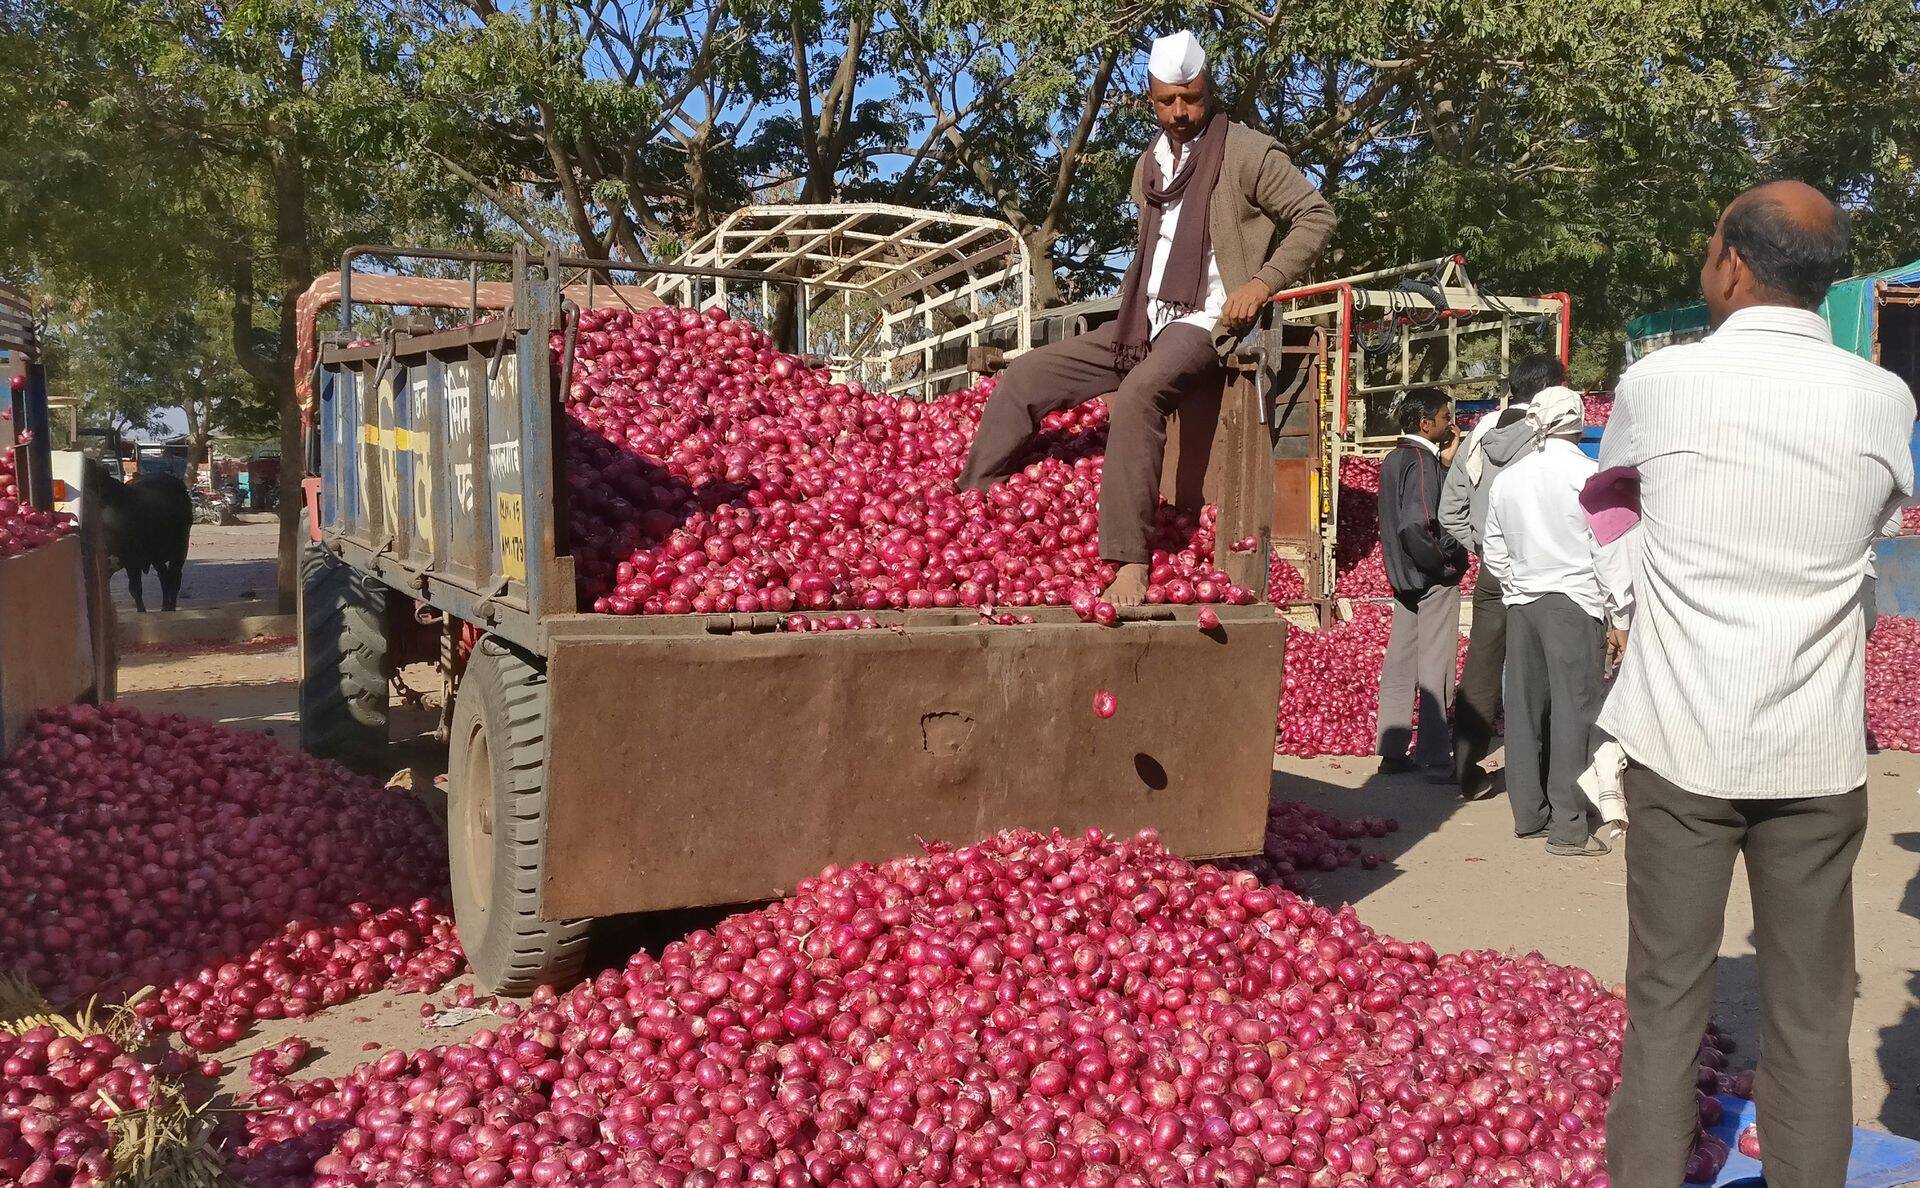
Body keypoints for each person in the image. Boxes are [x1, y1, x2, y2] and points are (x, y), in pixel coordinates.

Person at [1603, 180, 1914, 1188]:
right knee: (1815, 1014)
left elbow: (1611, 516)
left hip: (1683, 742)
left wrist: (1647, 589)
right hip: (1814, 755)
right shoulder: (1883, 399)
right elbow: (1876, 538)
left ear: (1733, 262)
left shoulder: (1661, 386)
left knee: (1664, 1004)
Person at [958, 31, 1336, 605]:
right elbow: (1152, 255)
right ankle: (974, 494)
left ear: (1209, 90)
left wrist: (1262, 284)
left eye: (1192, 98)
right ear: (1149, 97)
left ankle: (1128, 559)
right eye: (1167, 101)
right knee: (1027, 376)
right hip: (1144, 322)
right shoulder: (1148, 167)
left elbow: (1317, 216)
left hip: (1208, 322)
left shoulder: (1248, 153)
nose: (1181, 112)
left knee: (1137, 397)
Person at [1480, 385, 1630, 855]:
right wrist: (1620, 613)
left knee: (1524, 710)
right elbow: (1608, 552)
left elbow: (1493, 548)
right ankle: (1568, 825)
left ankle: (1530, 814)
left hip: (1522, 604)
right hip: (1576, 604)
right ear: (1579, 422)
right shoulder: (1591, 477)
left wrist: (1517, 586)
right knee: (1575, 712)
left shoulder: (1509, 479)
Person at [1439, 353, 1571, 798]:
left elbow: (1449, 510)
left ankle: (1467, 774)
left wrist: (1481, 545)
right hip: (1544, 569)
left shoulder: (1479, 435)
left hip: (1494, 569)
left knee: (1481, 665)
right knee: (1544, 672)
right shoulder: (1549, 436)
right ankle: (1536, 780)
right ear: (1553, 391)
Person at [1375, 387, 1467, 775]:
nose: (1451, 425)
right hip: (1429, 578)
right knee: (1436, 665)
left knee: (1400, 661)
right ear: (1426, 424)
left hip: (1402, 578)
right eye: (1446, 418)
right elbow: (1419, 522)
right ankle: (1433, 754)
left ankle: (1393, 751)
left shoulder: (1394, 459)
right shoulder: (1421, 461)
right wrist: (1444, 565)